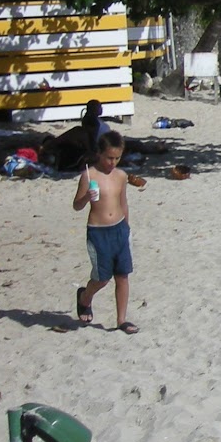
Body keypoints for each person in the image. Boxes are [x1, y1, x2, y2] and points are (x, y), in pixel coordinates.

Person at [73, 131, 143, 333]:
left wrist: (127, 228)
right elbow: (76, 206)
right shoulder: (89, 176)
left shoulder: (121, 176)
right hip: (98, 232)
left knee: (122, 275)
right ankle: (85, 297)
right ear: (99, 154)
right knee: (102, 277)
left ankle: (121, 320)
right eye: (109, 158)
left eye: (117, 158)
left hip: (119, 229)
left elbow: (123, 203)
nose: (112, 162)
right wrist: (87, 196)